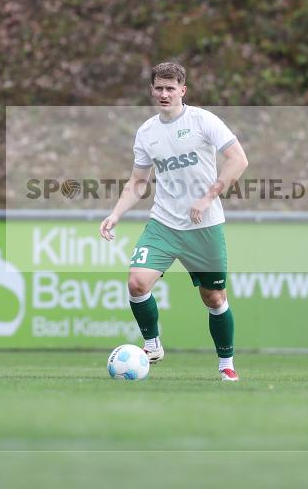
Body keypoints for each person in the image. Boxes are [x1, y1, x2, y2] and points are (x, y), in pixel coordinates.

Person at [99, 62, 249, 381]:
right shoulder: (147, 132)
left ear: (183, 91)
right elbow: (139, 181)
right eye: (159, 88)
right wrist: (115, 213)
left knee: (214, 298)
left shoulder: (203, 120)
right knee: (137, 283)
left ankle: (226, 365)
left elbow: (238, 160)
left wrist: (208, 197)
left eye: (171, 88)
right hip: (164, 224)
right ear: (152, 90)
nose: (164, 94)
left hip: (204, 226)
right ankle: (152, 345)